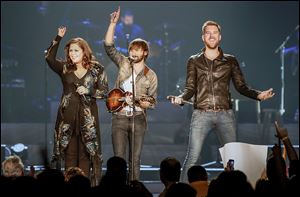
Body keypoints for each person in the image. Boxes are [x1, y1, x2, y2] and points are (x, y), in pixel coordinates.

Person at [171, 20, 275, 182]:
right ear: (203, 37)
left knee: (232, 159)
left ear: (220, 37)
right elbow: (190, 88)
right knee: (192, 157)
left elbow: (241, 86)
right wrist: (181, 99)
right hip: (201, 113)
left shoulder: (230, 60)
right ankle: (182, 192)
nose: (211, 36)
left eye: (214, 33)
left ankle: (233, 194)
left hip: (225, 114)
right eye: (208, 33)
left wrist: (259, 95)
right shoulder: (194, 60)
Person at [45, 26, 108, 186]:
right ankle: (68, 189)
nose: (72, 54)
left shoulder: (96, 69)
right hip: (67, 118)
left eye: (76, 51)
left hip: (88, 119)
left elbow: (104, 92)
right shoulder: (65, 68)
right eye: (70, 51)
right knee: (70, 155)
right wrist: (58, 37)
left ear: (84, 52)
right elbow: (49, 58)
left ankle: (85, 189)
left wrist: (89, 91)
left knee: (86, 155)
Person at [104, 6, 158, 181]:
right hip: (119, 117)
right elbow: (109, 47)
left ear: (145, 52)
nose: (133, 52)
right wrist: (113, 24)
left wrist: (145, 104)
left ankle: (134, 191)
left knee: (135, 160)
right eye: (131, 49)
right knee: (118, 161)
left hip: (138, 119)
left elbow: (153, 100)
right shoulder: (124, 63)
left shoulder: (151, 75)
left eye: (137, 49)